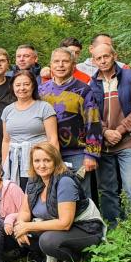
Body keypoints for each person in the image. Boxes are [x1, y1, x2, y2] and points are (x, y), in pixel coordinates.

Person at [12, 143, 107, 262]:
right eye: (37, 161)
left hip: (86, 229)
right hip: (60, 228)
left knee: (47, 241)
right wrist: (20, 225)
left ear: (56, 161)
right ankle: (55, 260)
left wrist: (27, 226)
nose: (42, 165)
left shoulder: (65, 182)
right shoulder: (33, 181)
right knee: (17, 228)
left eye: (47, 160)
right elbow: (25, 210)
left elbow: (65, 223)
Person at [89, 43, 131, 226]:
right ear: (94, 61)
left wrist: (119, 131)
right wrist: (104, 132)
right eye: (99, 58)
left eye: (106, 56)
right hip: (104, 145)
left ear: (115, 56)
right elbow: (91, 113)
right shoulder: (93, 83)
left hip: (128, 142)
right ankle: (113, 226)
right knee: (106, 189)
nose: (103, 61)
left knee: (130, 186)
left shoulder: (130, 77)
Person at [38, 47, 102, 196]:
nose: (60, 65)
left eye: (65, 61)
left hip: (77, 153)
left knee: (81, 194)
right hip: (48, 153)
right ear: (51, 65)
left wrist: (91, 154)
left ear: (73, 65)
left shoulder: (83, 90)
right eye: (57, 61)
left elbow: (93, 123)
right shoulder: (41, 91)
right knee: (52, 195)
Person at [1, 70, 58, 191]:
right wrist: (4, 166)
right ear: (12, 87)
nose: (22, 88)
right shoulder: (7, 110)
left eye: (26, 84)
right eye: (18, 85)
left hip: (39, 161)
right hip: (15, 162)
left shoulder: (44, 107)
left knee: (37, 194)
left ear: (33, 86)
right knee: (17, 195)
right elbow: (6, 141)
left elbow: (52, 138)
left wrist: (55, 163)